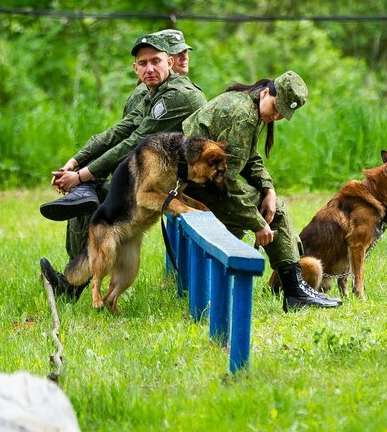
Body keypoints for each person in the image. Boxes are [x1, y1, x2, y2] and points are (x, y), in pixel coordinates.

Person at [39, 32, 206, 300]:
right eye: (143, 63)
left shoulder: (176, 96)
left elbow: (134, 143)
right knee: (86, 194)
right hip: (153, 174)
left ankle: (74, 282)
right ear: (135, 68)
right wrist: (76, 162)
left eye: (156, 61)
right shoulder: (151, 91)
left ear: (169, 62)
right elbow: (120, 131)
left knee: (95, 197)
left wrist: (81, 176)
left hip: (195, 179)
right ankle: (74, 276)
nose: (149, 68)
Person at [182, 71, 341, 311]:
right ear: (266, 92)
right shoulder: (243, 115)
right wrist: (257, 222)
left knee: (274, 206)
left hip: (206, 181)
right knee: (275, 214)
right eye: (276, 108)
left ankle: (295, 285)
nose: (276, 116)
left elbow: (249, 157)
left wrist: (268, 189)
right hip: (197, 184)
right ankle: (294, 288)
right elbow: (224, 180)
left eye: (282, 114)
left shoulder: (250, 105)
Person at [122, 29, 193, 116]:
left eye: (185, 51)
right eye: (177, 52)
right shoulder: (143, 93)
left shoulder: (182, 88)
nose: (184, 57)